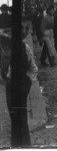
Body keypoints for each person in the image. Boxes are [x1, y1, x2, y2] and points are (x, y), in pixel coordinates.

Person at [5, 16, 38, 146]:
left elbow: (34, 68)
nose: (24, 31)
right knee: (15, 119)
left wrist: (27, 82)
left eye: (27, 28)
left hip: (21, 87)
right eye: (21, 27)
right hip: (10, 85)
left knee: (22, 120)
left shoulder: (26, 48)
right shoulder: (8, 43)